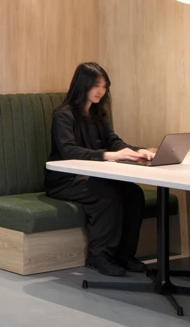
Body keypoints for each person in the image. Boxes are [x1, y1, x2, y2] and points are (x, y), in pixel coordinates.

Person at [45, 62, 156, 278]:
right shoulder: (63, 114)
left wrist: (138, 151)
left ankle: (124, 255)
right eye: (96, 85)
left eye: (104, 86)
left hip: (92, 176)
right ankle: (98, 256)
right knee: (108, 197)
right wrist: (110, 155)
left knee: (134, 193)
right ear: (83, 85)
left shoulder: (97, 113)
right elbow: (69, 150)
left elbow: (113, 142)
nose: (101, 91)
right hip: (64, 180)